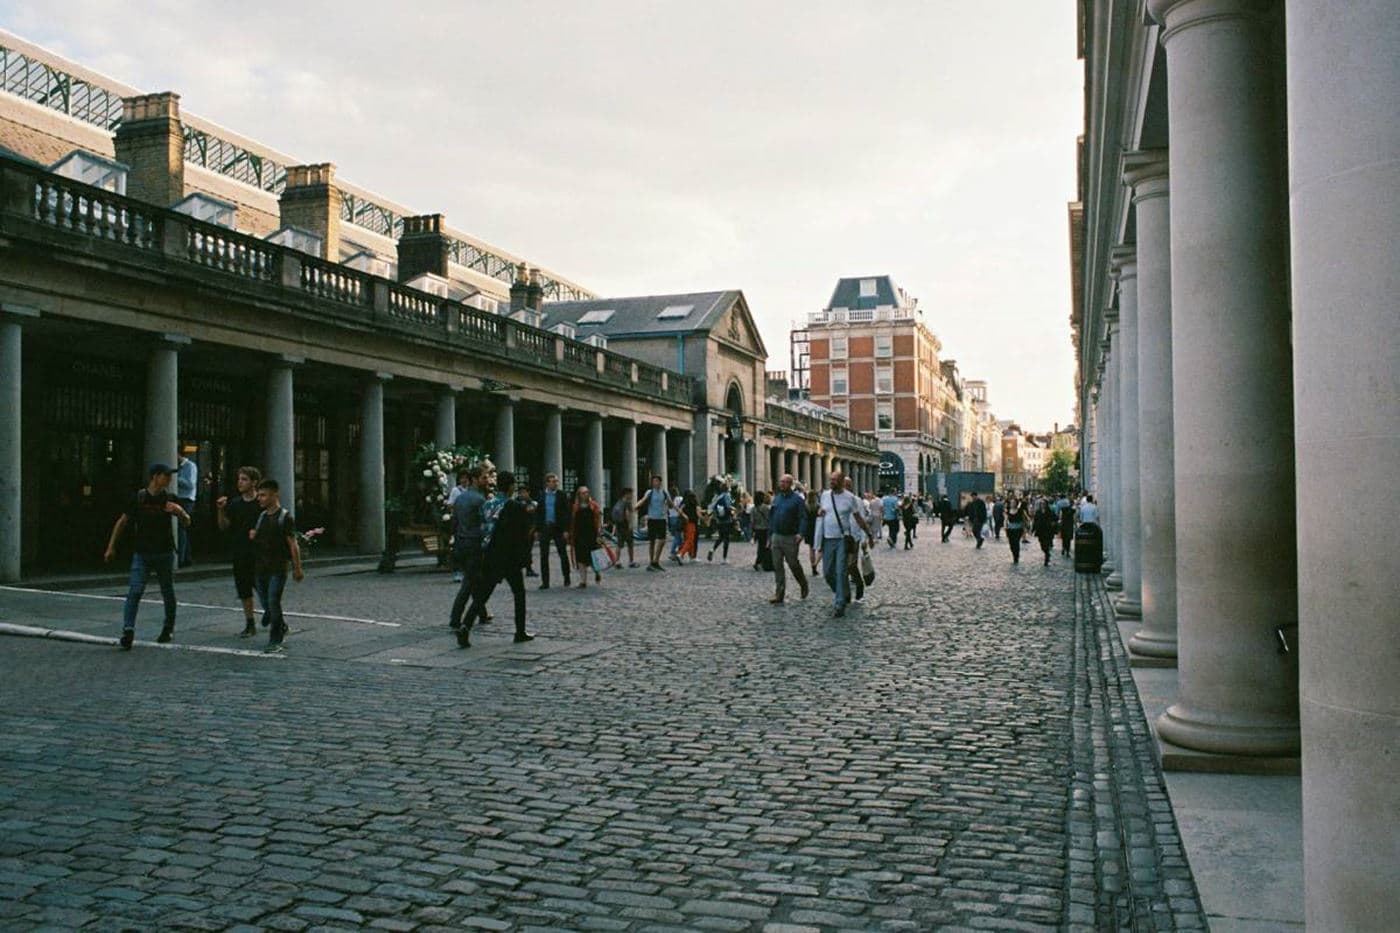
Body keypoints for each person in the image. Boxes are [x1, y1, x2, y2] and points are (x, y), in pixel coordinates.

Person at [104, 463, 190, 649]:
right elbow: (123, 521)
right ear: (154, 477)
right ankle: (128, 629)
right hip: (142, 552)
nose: (168, 479)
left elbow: (187, 522)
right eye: (165, 476)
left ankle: (168, 628)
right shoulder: (139, 498)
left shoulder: (170, 499)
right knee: (135, 591)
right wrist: (111, 546)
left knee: (167, 591)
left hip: (164, 552)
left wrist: (179, 512)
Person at [456, 471, 534, 648]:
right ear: (511, 486)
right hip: (510, 557)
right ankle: (520, 631)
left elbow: (483, 527)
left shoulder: (488, 504)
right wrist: (525, 559)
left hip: (490, 555)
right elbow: (521, 536)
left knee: (483, 594)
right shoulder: (514, 506)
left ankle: (465, 626)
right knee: (519, 594)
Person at [251, 479, 304, 653]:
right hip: (260, 567)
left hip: (278, 567)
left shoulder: (284, 517)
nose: (259, 498)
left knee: (273, 601)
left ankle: (275, 638)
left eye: (263, 495)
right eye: (258, 495)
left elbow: (292, 543)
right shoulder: (261, 517)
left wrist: (297, 567)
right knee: (266, 602)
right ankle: (278, 622)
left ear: (274, 495)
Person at [813, 470, 873, 618]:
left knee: (841, 571)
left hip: (842, 538)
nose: (831, 482)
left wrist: (868, 534)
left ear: (841, 482)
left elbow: (858, 518)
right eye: (830, 479)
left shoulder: (850, 498)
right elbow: (822, 510)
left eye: (834, 480)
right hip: (827, 538)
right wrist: (820, 511)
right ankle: (843, 592)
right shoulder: (825, 495)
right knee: (828, 573)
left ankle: (839, 604)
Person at [215, 465, 263, 637]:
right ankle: (250, 623)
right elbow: (224, 527)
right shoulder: (235, 504)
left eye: (244, 479)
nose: (240, 482)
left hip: (259, 553)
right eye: (239, 479)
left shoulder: (261, 503)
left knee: (264, 588)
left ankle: (276, 619)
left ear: (254, 482)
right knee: (244, 589)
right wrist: (220, 510)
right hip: (240, 551)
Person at [447, 465, 486, 632]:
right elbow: (484, 524)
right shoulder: (479, 500)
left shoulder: (460, 498)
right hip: (473, 543)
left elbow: (454, 522)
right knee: (469, 582)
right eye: (484, 478)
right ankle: (455, 618)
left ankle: (482, 612)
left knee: (476, 580)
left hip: (461, 542)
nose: (487, 480)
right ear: (475, 480)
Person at [767, 474, 808, 603]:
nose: (782, 484)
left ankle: (803, 583)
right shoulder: (777, 499)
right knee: (777, 565)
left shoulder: (797, 500)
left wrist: (801, 533)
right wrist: (769, 536)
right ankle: (779, 593)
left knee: (793, 564)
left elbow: (803, 518)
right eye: (781, 482)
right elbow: (772, 517)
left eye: (785, 482)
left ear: (790, 484)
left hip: (790, 537)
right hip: (777, 536)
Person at [535, 473, 571, 589]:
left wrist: (566, 529)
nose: (555, 483)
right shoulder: (541, 495)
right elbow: (538, 513)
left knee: (563, 554)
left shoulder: (562, 495)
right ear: (547, 483)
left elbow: (567, 513)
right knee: (543, 555)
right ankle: (545, 582)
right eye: (553, 481)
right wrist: (537, 529)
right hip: (545, 527)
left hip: (558, 528)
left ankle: (566, 578)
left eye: (556, 481)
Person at [570, 485, 603, 587]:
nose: (585, 495)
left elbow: (598, 520)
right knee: (580, 558)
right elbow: (572, 521)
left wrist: (599, 534)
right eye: (582, 493)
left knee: (593, 557)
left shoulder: (593, 505)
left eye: (586, 492)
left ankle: (597, 572)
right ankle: (583, 581)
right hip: (579, 535)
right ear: (578, 494)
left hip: (591, 535)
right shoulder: (575, 506)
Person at [636, 475, 670, 571]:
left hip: (662, 519)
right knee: (652, 541)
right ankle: (651, 562)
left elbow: (671, 504)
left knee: (662, 540)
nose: (655, 483)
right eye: (653, 481)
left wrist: (679, 511)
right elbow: (643, 500)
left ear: (660, 482)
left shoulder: (664, 492)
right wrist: (635, 506)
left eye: (656, 481)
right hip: (652, 519)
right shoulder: (650, 492)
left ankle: (656, 560)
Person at [447, 469, 473, 582]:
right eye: (462, 478)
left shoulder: (472, 490)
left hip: (471, 522)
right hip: (459, 521)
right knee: (458, 546)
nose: (464, 480)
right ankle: (458, 571)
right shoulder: (456, 490)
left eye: (466, 478)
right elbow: (450, 505)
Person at [175, 447, 199, 567]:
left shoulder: (190, 466)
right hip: (178, 498)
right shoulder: (179, 467)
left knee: (181, 528)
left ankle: (181, 558)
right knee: (182, 530)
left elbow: (190, 484)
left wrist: (175, 478)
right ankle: (186, 557)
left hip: (186, 500)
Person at [706, 485, 737, 563]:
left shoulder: (719, 497)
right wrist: (733, 513)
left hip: (719, 521)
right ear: (727, 489)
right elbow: (728, 507)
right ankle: (724, 558)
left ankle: (712, 549)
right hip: (727, 520)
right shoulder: (727, 496)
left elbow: (713, 508)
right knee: (726, 539)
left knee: (721, 537)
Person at [610, 487, 638, 569]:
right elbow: (627, 513)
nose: (632, 495)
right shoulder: (627, 502)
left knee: (619, 544)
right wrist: (630, 524)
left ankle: (617, 561)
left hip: (619, 525)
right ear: (627, 494)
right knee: (630, 544)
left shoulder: (619, 502)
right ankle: (631, 561)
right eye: (631, 494)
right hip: (625, 525)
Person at [1033, 498, 1059, 566]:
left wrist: (1053, 523)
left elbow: (1056, 518)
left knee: (1047, 544)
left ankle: (1047, 558)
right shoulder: (1038, 512)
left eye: (1044, 504)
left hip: (1048, 531)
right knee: (1042, 545)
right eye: (1041, 504)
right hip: (1040, 531)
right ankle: (1047, 553)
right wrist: (1033, 529)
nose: (1042, 505)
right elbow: (1035, 521)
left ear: (1046, 504)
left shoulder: (1050, 511)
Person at [751, 491, 772, 572]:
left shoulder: (753, 509)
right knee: (764, 547)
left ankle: (760, 562)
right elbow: (769, 518)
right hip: (765, 529)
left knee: (760, 546)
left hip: (757, 530)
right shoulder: (765, 508)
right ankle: (759, 562)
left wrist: (753, 531)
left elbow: (752, 521)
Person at [1005, 496, 1030, 565]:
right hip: (1010, 529)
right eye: (1011, 502)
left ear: (1016, 503)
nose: (1012, 504)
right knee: (1011, 544)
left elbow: (1026, 519)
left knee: (1016, 543)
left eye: (1014, 502)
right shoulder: (1008, 510)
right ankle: (1014, 554)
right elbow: (1006, 520)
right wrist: (1005, 528)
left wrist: (1026, 526)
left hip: (1018, 529)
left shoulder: (1020, 510)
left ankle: (1016, 557)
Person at [679, 490, 700, 561]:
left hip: (684, 523)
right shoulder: (694, 502)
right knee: (691, 540)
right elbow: (698, 513)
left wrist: (684, 516)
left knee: (687, 539)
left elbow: (679, 511)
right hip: (693, 522)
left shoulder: (683, 503)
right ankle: (682, 553)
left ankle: (689, 555)